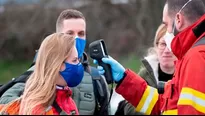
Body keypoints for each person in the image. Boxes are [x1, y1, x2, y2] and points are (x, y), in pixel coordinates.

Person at [94, 0, 205, 115]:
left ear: (178, 20)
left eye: (166, 24)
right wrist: (123, 78)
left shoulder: (196, 56)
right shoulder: (192, 55)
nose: (166, 31)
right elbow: (163, 105)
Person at [0, 9, 110, 115]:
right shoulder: (37, 74)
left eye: (81, 34)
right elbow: (5, 104)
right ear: (58, 36)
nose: (75, 39)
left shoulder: (96, 79)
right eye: (69, 33)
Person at [0, 33, 82, 115]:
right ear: (58, 64)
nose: (79, 64)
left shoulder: (65, 97)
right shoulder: (39, 109)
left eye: (78, 59)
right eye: (74, 60)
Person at [116, 23, 176, 115]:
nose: (167, 50)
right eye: (163, 44)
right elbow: (129, 110)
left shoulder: (186, 75)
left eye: (171, 44)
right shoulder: (145, 75)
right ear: (156, 47)